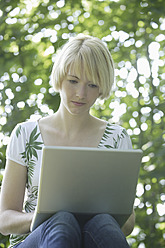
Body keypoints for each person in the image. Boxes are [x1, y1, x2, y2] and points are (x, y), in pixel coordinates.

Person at [0, 34, 135, 248]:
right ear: (60, 77)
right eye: (73, 81)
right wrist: (44, 216)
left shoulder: (117, 138)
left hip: (92, 239)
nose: (81, 94)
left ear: (102, 87)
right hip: (34, 241)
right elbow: (5, 220)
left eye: (92, 85)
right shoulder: (25, 134)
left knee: (104, 223)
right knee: (61, 221)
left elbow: (127, 224)